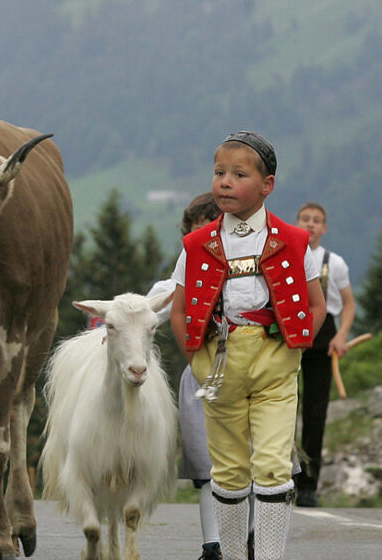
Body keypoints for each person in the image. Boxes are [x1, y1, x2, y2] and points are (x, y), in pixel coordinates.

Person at [169, 131, 326, 560]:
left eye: (239, 174)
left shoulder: (293, 242)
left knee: (273, 465)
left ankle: (269, 556)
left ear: (267, 185)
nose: (224, 182)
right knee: (229, 470)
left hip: (275, 361)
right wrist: (196, 360)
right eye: (219, 172)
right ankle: (236, 555)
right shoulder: (196, 246)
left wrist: (292, 349)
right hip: (218, 364)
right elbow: (180, 310)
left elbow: (316, 304)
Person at [149, 192, 222, 559]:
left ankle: (253, 539)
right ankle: (213, 546)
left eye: (213, 227)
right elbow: (145, 314)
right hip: (200, 379)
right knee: (208, 468)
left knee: (257, 465)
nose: (206, 237)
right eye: (197, 230)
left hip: (253, 374)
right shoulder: (173, 287)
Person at [293, 202, 356, 507]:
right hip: (291, 338)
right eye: (306, 219)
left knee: (315, 415)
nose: (311, 224)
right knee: (284, 410)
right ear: (297, 222)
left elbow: (349, 304)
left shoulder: (335, 263)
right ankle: (283, 479)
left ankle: (308, 485)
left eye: (317, 221)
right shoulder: (287, 255)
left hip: (323, 340)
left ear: (324, 228)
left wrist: (342, 335)